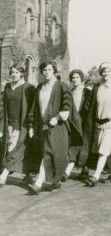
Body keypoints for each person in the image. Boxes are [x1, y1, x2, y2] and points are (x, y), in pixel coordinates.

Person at [27, 61, 82, 194]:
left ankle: (39, 183)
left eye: (49, 70)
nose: (46, 72)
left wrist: (57, 118)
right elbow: (34, 108)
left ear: (54, 71)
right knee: (47, 153)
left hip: (58, 126)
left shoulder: (61, 86)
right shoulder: (40, 87)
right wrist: (31, 125)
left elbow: (67, 104)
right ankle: (54, 181)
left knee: (55, 154)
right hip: (44, 126)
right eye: (44, 70)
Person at [0, 65, 36, 186]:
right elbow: (3, 106)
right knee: (13, 149)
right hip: (9, 124)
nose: (14, 74)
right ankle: (28, 175)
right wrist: (1, 126)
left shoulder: (29, 88)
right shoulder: (7, 87)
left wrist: (31, 126)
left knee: (14, 150)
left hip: (22, 125)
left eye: (17, 72)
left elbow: (33, 109)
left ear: (22, 73)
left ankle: (3, 176)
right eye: (12, 72)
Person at [83, 62, 111, 186]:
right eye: (103, 71)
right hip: (99, 124)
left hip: (110, 124)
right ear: (100, 73)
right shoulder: (97, 88)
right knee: (106, 151)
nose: (106, 73)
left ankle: (95, 176)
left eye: (108, 71)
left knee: (103, 150)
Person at [62, 69, 91, 182]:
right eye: (73, 78)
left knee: (83, 144)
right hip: (72, 122)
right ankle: (82, 169)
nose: (75, 80)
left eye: (77, 77)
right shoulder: (69, 91)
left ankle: (83, 169)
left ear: (81, 78)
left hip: (83, 121)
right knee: (74, 143)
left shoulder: (87, 92)